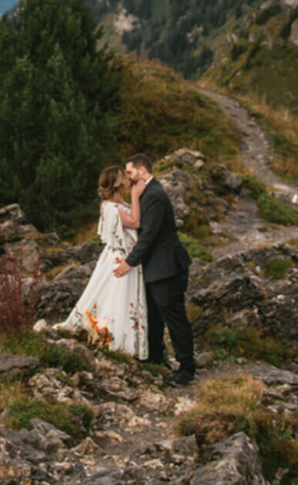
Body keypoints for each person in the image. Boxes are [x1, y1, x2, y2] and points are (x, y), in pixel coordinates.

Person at [113, 153, 195, 387]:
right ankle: (156, 356)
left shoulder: (155, 195)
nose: (127, 177)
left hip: (167, 266)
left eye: (129, 172)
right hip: (156, 267)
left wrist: (129, 262)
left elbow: (149, 235)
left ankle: (187, 368)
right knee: (153, 315)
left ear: (142, 171)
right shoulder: (147, 193)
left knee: (174, 317)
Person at [58, 166, 148, 358]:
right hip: (119, 258)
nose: (127, 178)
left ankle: (122, 341)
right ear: (117, 183)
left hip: (125, 257)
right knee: (116, 296)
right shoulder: (110, 207)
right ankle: (117, 343)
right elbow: (134, 222)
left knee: (122, 298)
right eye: (124, 176)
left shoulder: (118, 203)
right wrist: (135, 195)